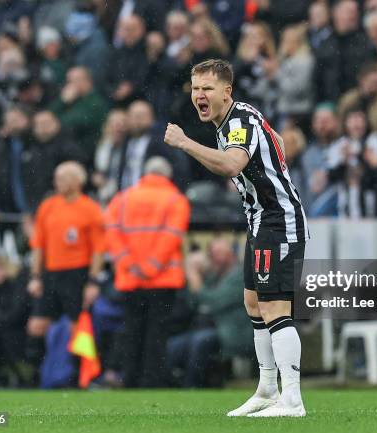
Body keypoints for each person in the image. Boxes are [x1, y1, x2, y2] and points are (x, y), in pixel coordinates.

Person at [164, 59, 308, 417]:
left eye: (207, 88)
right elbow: (273, 145)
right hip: (260, 220)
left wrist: (184, 143)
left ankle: (292, 399)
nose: (199, 95)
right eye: (195, 88)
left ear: (226, 91)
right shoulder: (233, 120)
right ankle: (266, 389)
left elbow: (231, 165)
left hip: (279, 221)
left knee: (275, 307)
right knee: (253, 303)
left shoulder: (239, 121)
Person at [104, 157, 190, 388]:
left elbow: (111, 232)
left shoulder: (122, 199)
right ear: (167, 175)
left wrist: (129, 264)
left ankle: (129, 378)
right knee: (157, 333)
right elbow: (171, 236)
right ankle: (152, 380)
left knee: (132, 330)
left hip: (131, 278)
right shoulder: (176, 200)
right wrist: (151, 266)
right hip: (163, 279)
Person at [26, 162, 105, 349]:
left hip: (77, 274)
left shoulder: (91, 209)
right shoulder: (48, 206)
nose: (57, 182)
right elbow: (38, 245)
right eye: (56, 178)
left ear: (77, 181)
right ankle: (38, 373)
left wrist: (93, 281)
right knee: (36, 326)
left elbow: (99, 249)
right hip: (51, 273)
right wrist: (35, 276)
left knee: (76, 329)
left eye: (62, 178)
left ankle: (76, 374)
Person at [166, 237, 251, 388]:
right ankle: (168, 384)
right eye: (212, 253)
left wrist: (194, 276)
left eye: (220, 253)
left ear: (231, 253)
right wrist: (196, 275)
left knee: (199, 341)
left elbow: (215, 301)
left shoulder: (240, 275)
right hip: (210, 329)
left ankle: (192, 387)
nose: (216, 257)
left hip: (234, 333)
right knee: (173, 345)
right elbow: (192, 302)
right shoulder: (212, 276)